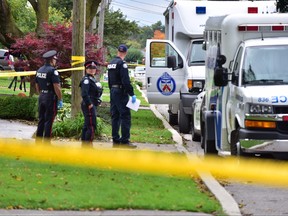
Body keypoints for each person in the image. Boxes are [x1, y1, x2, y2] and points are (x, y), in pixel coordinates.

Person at [107, 44, 137, 148]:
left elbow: (110, 80)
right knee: (125, 116)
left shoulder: (111, 62)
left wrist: (112, 90)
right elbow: (125, 80)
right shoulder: (122, 63)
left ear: (117, 52)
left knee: (115, 116)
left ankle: (115, 140)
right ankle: (125, 141)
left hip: (113, 90)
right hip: (120, 91)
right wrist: (131, 93)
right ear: (126, 53)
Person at [35, 50, 63, 142]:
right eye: (55, 59)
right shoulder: (53, 71)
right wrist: (60, 99)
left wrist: (41, 93)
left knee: (41, 119)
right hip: (50, 97)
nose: (55, 61)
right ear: (52, 60)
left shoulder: (39, 70)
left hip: (42, 96)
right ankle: (47, 142)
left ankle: (38, 141)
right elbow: (57, 86)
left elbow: (37, 85)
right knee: (49, 120)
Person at [79, 60, 103, 146]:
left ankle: (85, 145)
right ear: (86, 69)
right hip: (88, 104)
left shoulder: (93, 79)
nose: (92, 70)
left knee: (87, 124)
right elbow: (84, 94)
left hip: (92, 103)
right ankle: (88, 145)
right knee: (92, 125)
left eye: (93, 68)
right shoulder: (86, 80)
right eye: (89, 68)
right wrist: (90, 104)